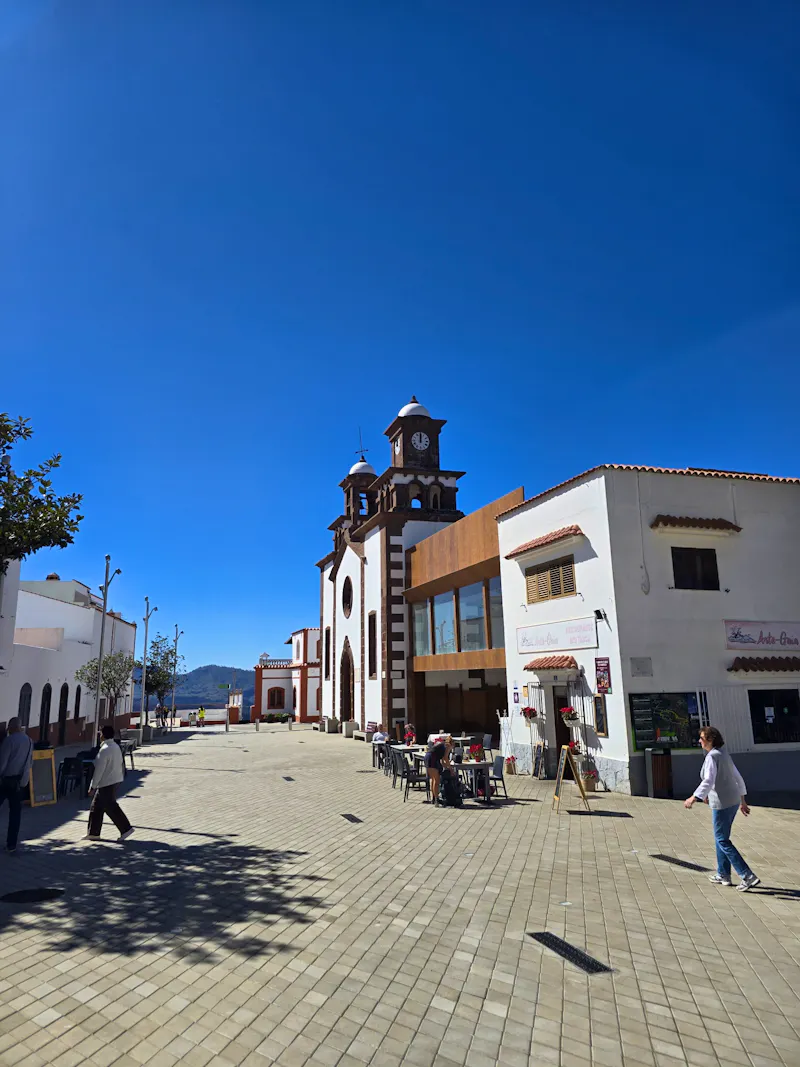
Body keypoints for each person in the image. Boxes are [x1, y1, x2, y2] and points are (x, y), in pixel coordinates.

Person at [684, 726, 760, 891]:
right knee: (721, 837)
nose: (699, 741)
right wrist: (742, 800)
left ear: (711, 740)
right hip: (732, 801)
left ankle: (747, 875)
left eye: (702, 738)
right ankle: (723, 874)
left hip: (723, 803)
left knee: (722, 840)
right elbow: (736, 777)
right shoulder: (723, 754)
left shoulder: (713, 757)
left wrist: (694, 797)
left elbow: (708, 780)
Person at [84, 724, 134, 843]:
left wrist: (93, 787)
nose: (100, 735)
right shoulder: (116, 747)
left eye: (101, 733)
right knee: (96, 807)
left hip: (106, 782)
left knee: (110, 806)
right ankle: (93, 833)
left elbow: (99, 771)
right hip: (116, 779)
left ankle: (126, 828)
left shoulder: (104, 750)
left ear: (104, 735)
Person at [0, 718, 34, 853]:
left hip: (5, 781)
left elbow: (3, 762)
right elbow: (30, 763)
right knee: (15, 814)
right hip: (19, 782)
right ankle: (11, 844)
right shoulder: (29, 741)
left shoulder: (9, 741)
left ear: (12, 727)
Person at [424, 739, 451, 805]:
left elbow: (442, 761)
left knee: (433, 779)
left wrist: (446, 767)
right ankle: (436, 800)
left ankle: (434, 798)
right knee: (436, 781)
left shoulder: (441, 745)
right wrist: (451, 769)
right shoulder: (448, 746)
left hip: (427, 757)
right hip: (432, 758)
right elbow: (445, 758)